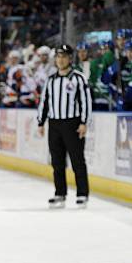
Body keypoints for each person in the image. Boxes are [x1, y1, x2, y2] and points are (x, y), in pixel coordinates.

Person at [37, 44, 92, 208]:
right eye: (58, 57)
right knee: (57, 161)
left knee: (77, 160)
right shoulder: (51, 80)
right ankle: (60, 192)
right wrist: (41, 121)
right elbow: (44, 101)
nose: (60, 60)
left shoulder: (78, 78)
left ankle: (82, 194)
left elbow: (85, 101)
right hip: (54, 124)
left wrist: (84, 122)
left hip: (72, 123)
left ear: (70, 59)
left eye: (64, 57)